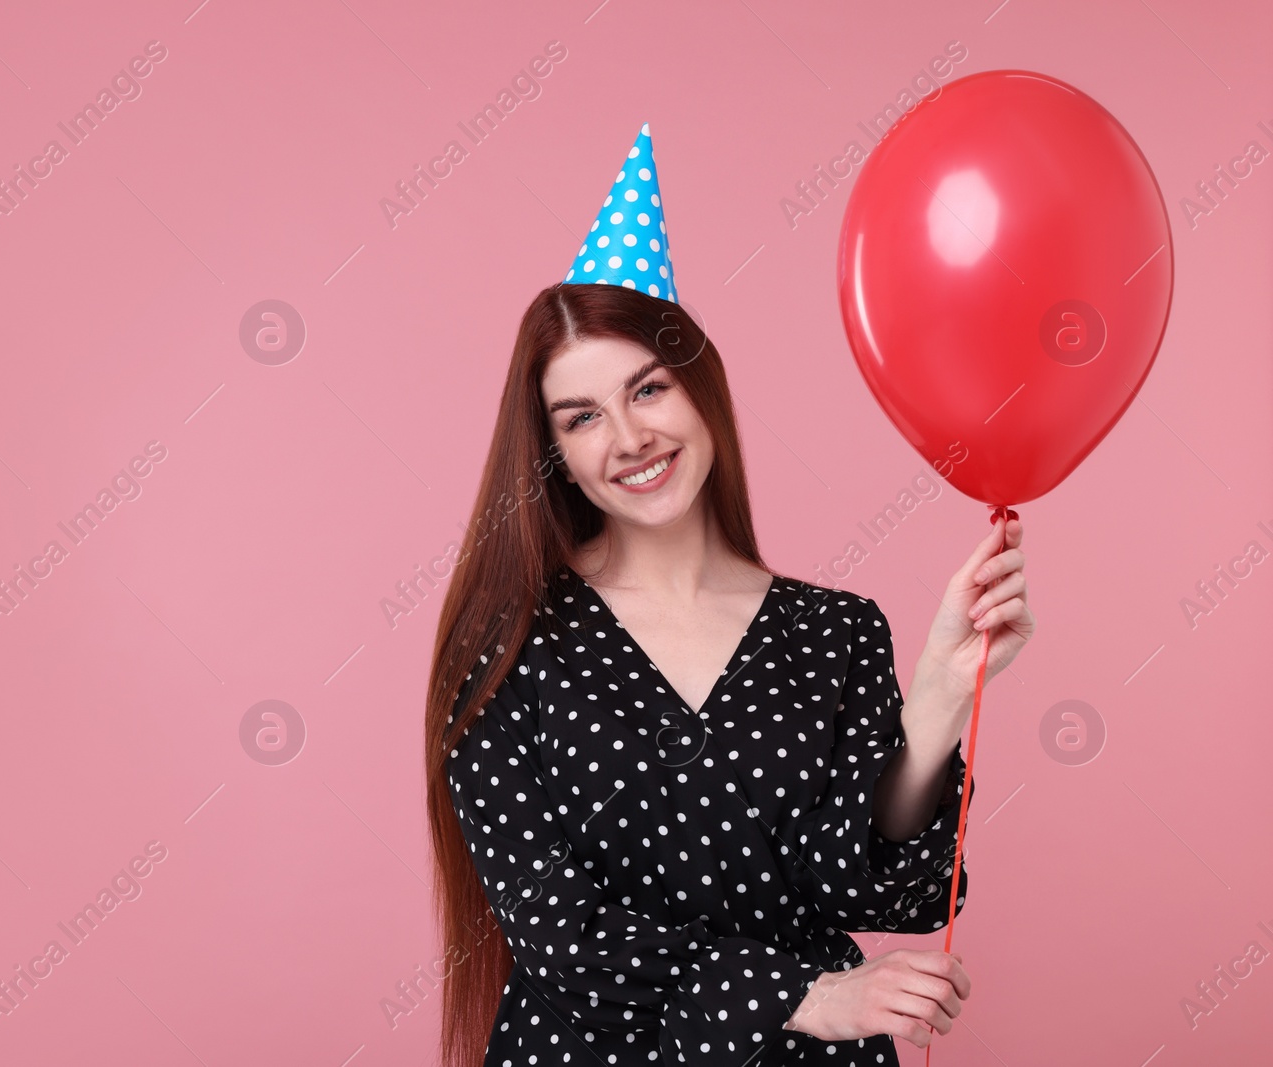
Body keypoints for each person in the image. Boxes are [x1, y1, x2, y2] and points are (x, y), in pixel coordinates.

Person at [423, 126, 1033, 1067]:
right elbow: (552, 923)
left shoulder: (835, 629)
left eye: (649, 389)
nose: (627, 436)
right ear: (555, 455)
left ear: (700, 388)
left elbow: (883, 893)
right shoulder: (507, 643)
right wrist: (804, 995)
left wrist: (940, 707)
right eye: (582, 416)